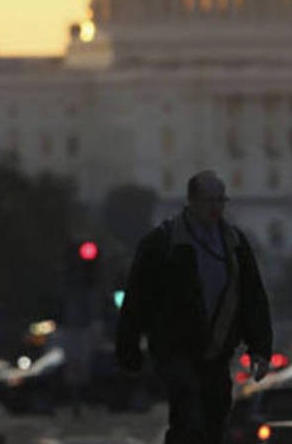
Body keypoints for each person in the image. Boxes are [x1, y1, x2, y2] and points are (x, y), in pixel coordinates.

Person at [116, 170, 272, 444]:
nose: (215, 207)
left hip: (216, 354)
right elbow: (137, 299)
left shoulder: (234, 245)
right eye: (208, 200)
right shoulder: (162, 243)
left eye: (220, 200)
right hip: (175, 351)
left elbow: (252, 299)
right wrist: (129, 348)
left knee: (214, 421)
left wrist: (260, 348)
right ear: (191, 201)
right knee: (188, 418)